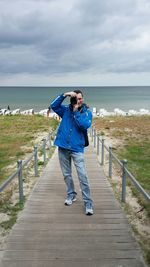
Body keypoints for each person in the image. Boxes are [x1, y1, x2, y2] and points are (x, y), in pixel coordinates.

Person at [50, 90, 94, 215]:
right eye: (76, 98)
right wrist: (64, 95)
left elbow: (84, 126)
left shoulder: (87, 113)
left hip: (77, 149)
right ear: (72, 99)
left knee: (83, 176)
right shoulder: (65, 110)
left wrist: (76, 112)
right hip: (63, 147)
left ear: (83, 99)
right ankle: (71, 194)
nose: (78, 101)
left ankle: (88, 202)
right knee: (66, 175)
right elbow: (54, 106)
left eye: (80, 98)